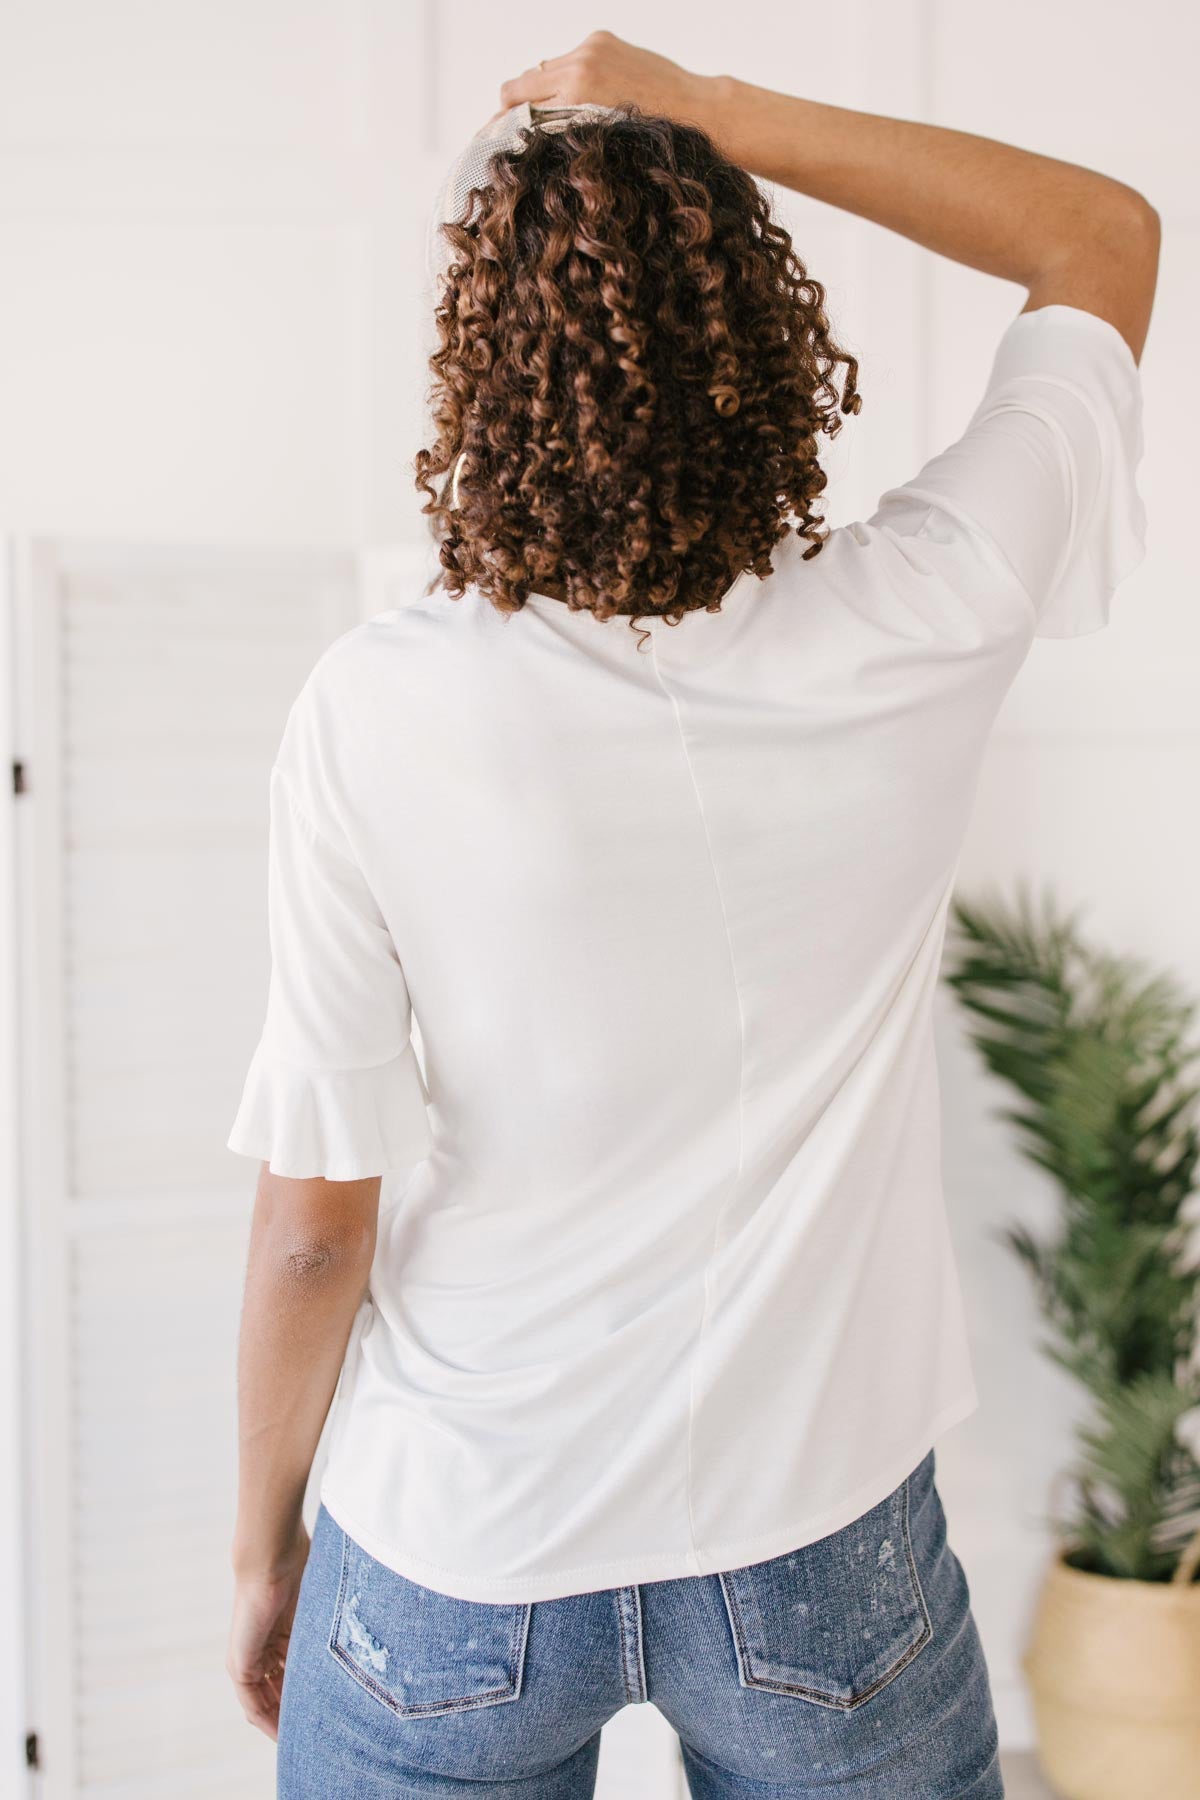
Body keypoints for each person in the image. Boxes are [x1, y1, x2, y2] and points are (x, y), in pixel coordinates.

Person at [224, 30, 1158, 1799]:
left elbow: (308, 1229)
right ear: (764, 348)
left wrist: (271, 1543)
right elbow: (1099, 236)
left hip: (460, 1544)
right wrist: (716, 115)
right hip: (822, 1543)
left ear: (480, 375)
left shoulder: (376, 707)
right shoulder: (922, 611)